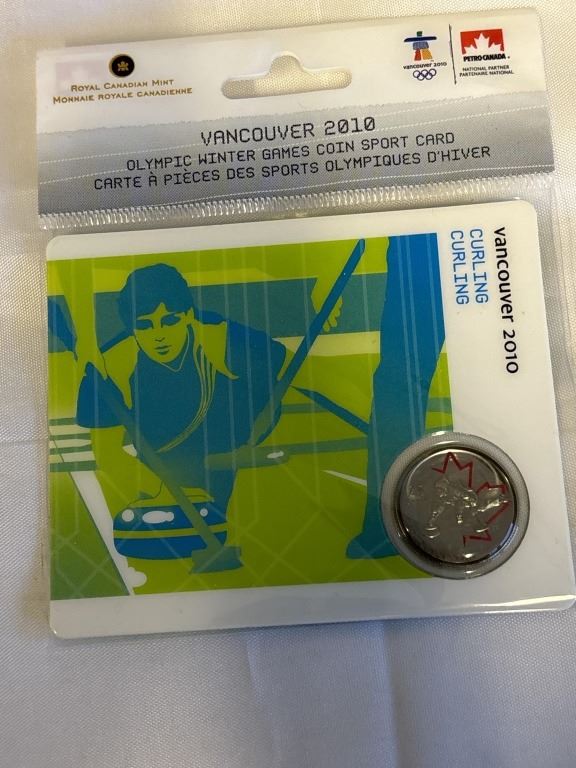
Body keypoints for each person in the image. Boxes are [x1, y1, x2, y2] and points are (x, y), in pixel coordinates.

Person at [76, 263, 286, 542]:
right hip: (162, 461)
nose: (159, 335)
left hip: (231, 448)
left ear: (188, 315)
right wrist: (157, 485)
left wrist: (250, 442)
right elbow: (96, 427)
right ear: (132, 328)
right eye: (145, 325)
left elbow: (275, 365)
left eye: (169, 321)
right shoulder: (116, 359)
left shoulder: (216, 335)